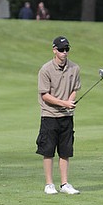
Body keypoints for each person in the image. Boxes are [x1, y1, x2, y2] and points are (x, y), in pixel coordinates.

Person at [36, 36, 81, 195]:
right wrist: (65, 103)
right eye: (61, 49)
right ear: (54, 50)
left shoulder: (74, 68)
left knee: (65, 151)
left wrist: (70, 100)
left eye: (67, 49)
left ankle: (64, 184)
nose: (64, 52)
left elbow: (75, 88)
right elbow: (45, 96)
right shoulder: (46, 69)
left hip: (66, 116)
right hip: (49, 115)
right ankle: (49, 184)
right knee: (48, 151)